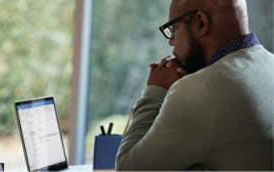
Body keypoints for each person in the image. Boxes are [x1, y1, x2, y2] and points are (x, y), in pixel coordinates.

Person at [115, 0, 273, 170]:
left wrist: (154, 91)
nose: (171, 42)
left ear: (200, 23)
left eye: (174, 29)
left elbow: (127, 168)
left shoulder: (198, 90)